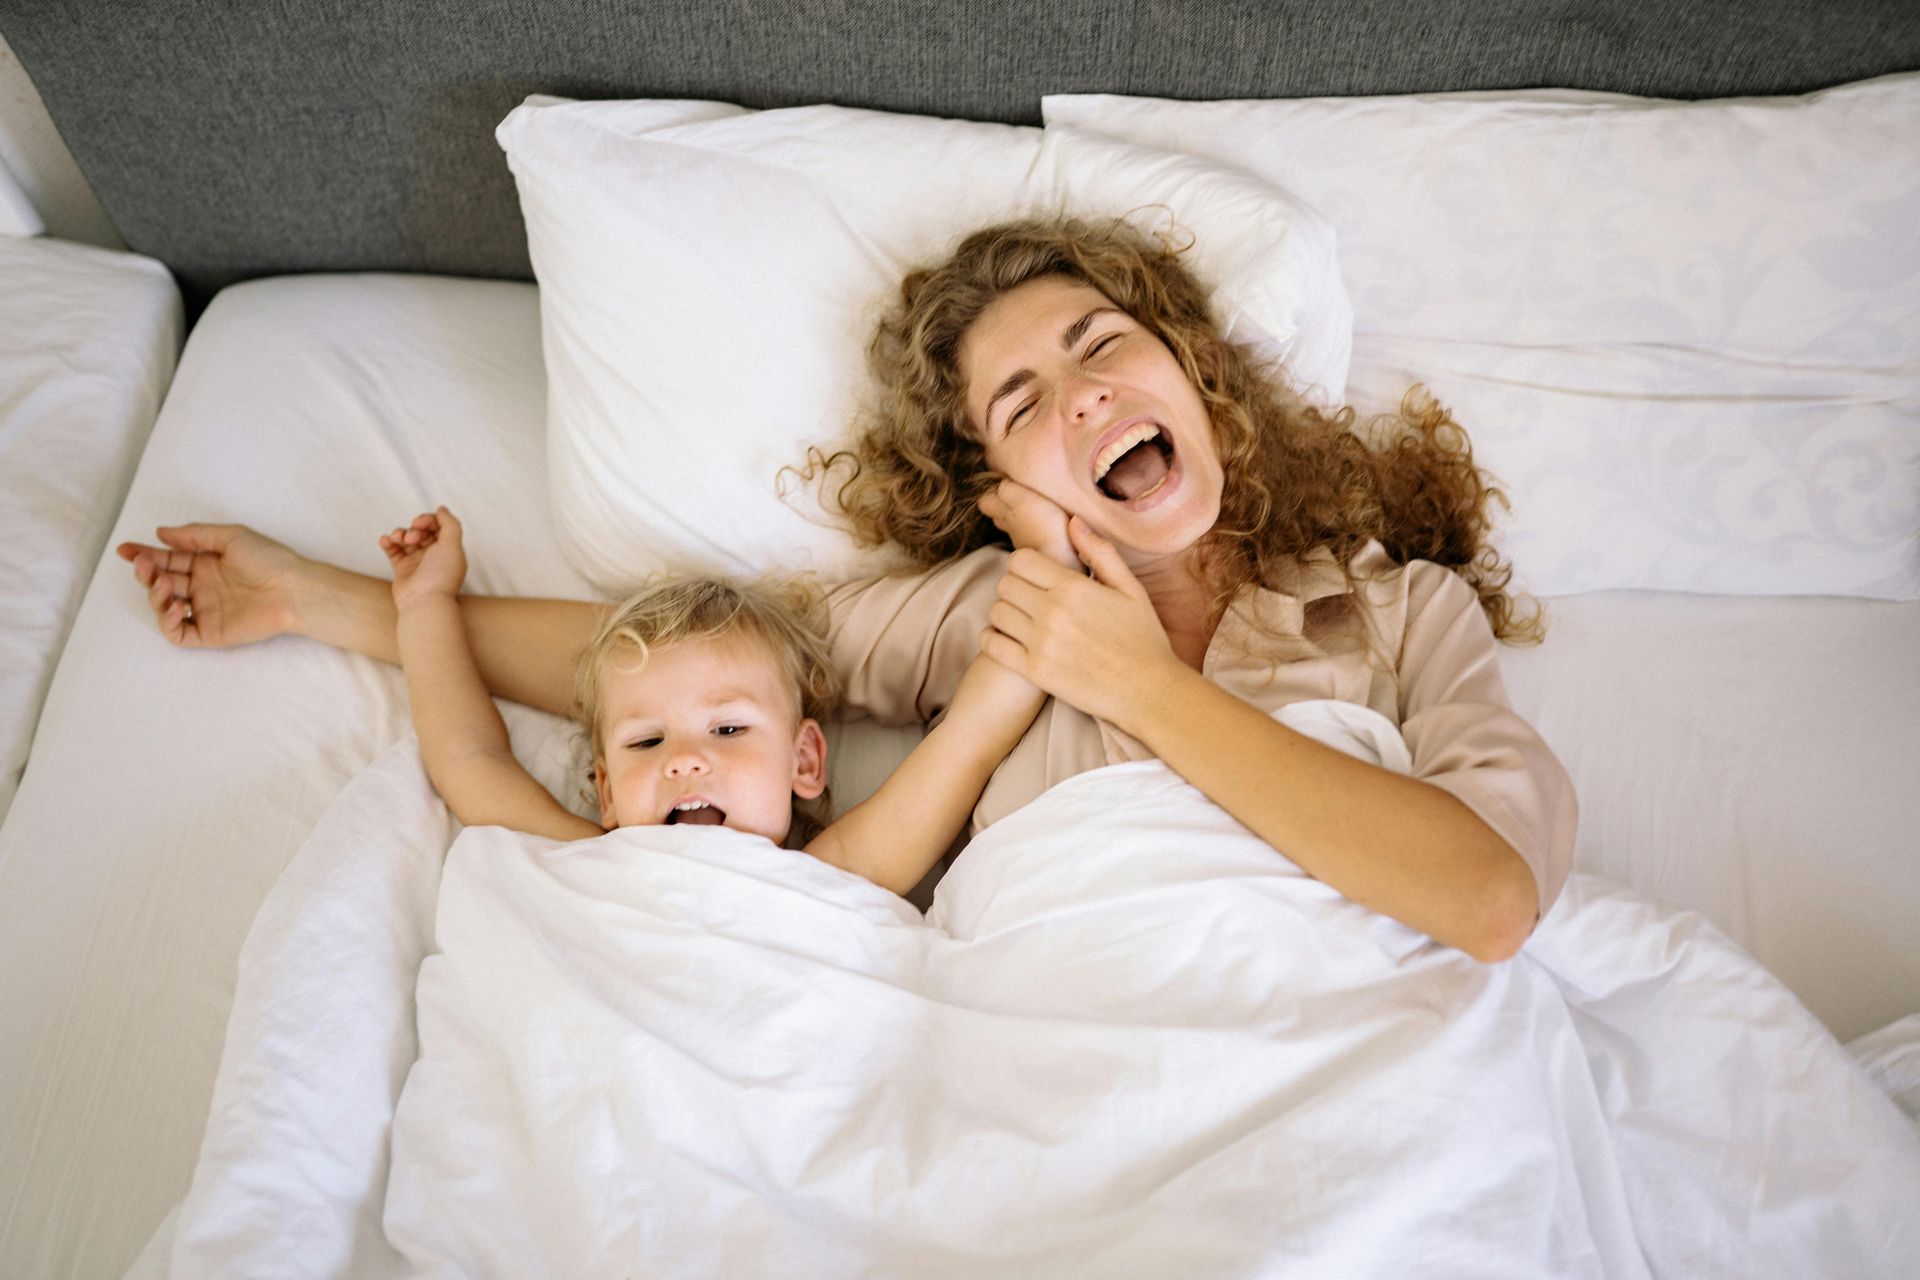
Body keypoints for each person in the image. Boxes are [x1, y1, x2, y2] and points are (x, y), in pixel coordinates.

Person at [119, 216, 1574, 962]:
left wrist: (1131, 679)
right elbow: (676, 669)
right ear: (997, 490)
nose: (1081, 399)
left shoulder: (1397, 617)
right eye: (1021, 401)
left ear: (1190, 370)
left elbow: (1489, 901)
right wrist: (325, 602)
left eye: (1100, 345)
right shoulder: (975, 610)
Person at [378, 505, 1041, 898]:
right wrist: (426, 605)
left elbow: (968, 741)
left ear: (804, 760)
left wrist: (1050, 558)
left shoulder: (830, 880)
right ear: (606, 793)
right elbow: (468, 757)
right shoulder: (584, 860)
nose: (686, 760)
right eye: (646, 741)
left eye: (727, 728)